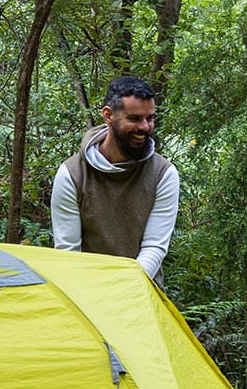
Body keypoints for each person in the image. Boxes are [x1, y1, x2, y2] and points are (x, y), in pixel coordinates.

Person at [50, 75, 179, 282]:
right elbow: (68, 252)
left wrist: (124, 290)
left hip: (141, 290)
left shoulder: (163, 173)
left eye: (150, 118)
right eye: (135, 119)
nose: (145, 127)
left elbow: (154, 247)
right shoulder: (72, 174)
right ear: (108, 115)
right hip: (86, 291)